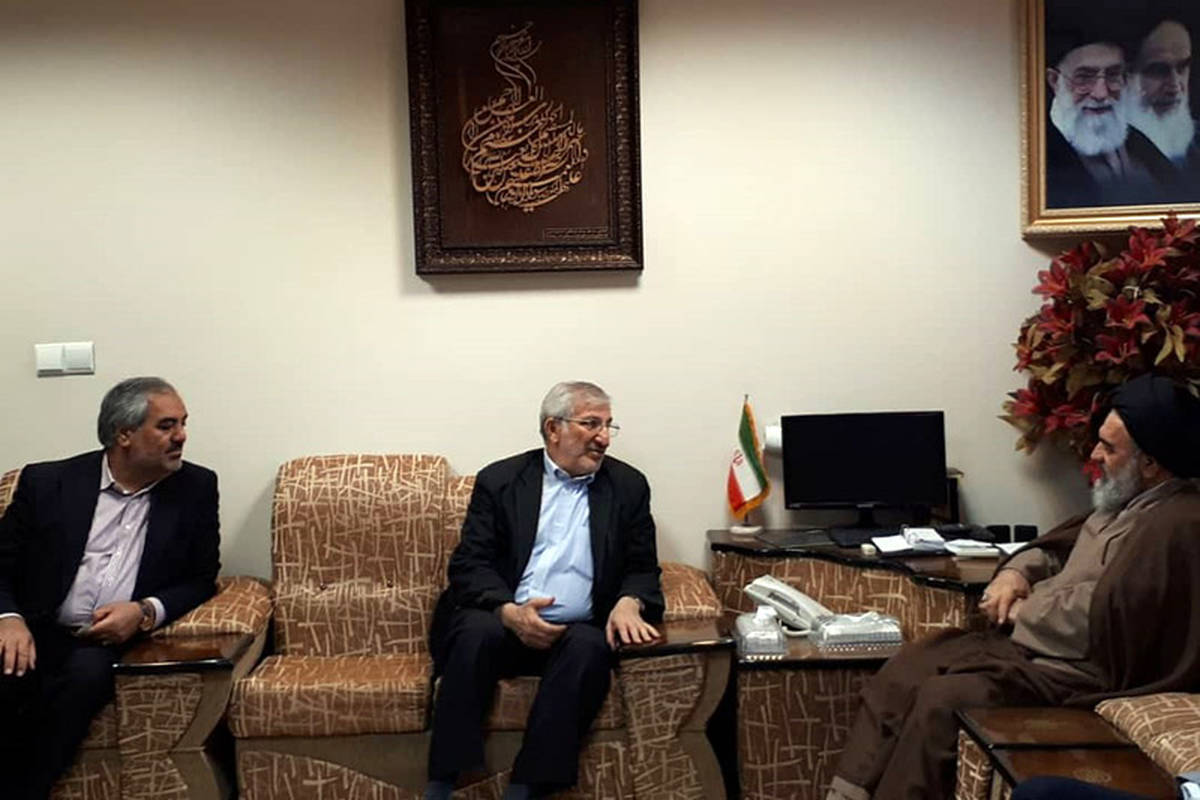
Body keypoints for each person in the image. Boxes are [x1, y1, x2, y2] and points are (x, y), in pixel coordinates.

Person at [826, 373, 1200, 800]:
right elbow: (1057, 550)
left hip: (1077, 671)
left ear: (1150, 464)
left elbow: (1109, 611)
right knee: (908, 666)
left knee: (942, 699)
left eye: (1109, 448)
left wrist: (1023, 610)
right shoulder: (1123, 500)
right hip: (1034, 649)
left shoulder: (1178, 522)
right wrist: (1014, 575)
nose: (1095, 454)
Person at [425, 381, 663, 800]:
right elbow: (469, 565)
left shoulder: (628, 486)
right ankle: (446, 780)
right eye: (591, 424)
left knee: (588, 648)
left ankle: (527, 788)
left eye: (608, 425)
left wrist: (630, 601)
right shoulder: (501, 480)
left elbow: (642, 567)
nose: (604, 438)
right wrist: (509, 611)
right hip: (503, 622)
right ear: (553, 428)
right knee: (474, 631)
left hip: (576, 629)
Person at [0, 377, 220, 800]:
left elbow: (202, 577)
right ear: (124, 435)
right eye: (167, 426)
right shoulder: (48, 483)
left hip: (106, 643)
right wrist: (8, 618)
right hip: (35, 629)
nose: (181, 436)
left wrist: (144, 611)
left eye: (183, 423)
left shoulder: (196, 488)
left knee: (84, 676)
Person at [1044, 15, 1179, 208]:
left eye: (1113, 75)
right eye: (1084, 78)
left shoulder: (1140, 146)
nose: (1101, 93)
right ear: (1054, 81)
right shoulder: (1040, 154)